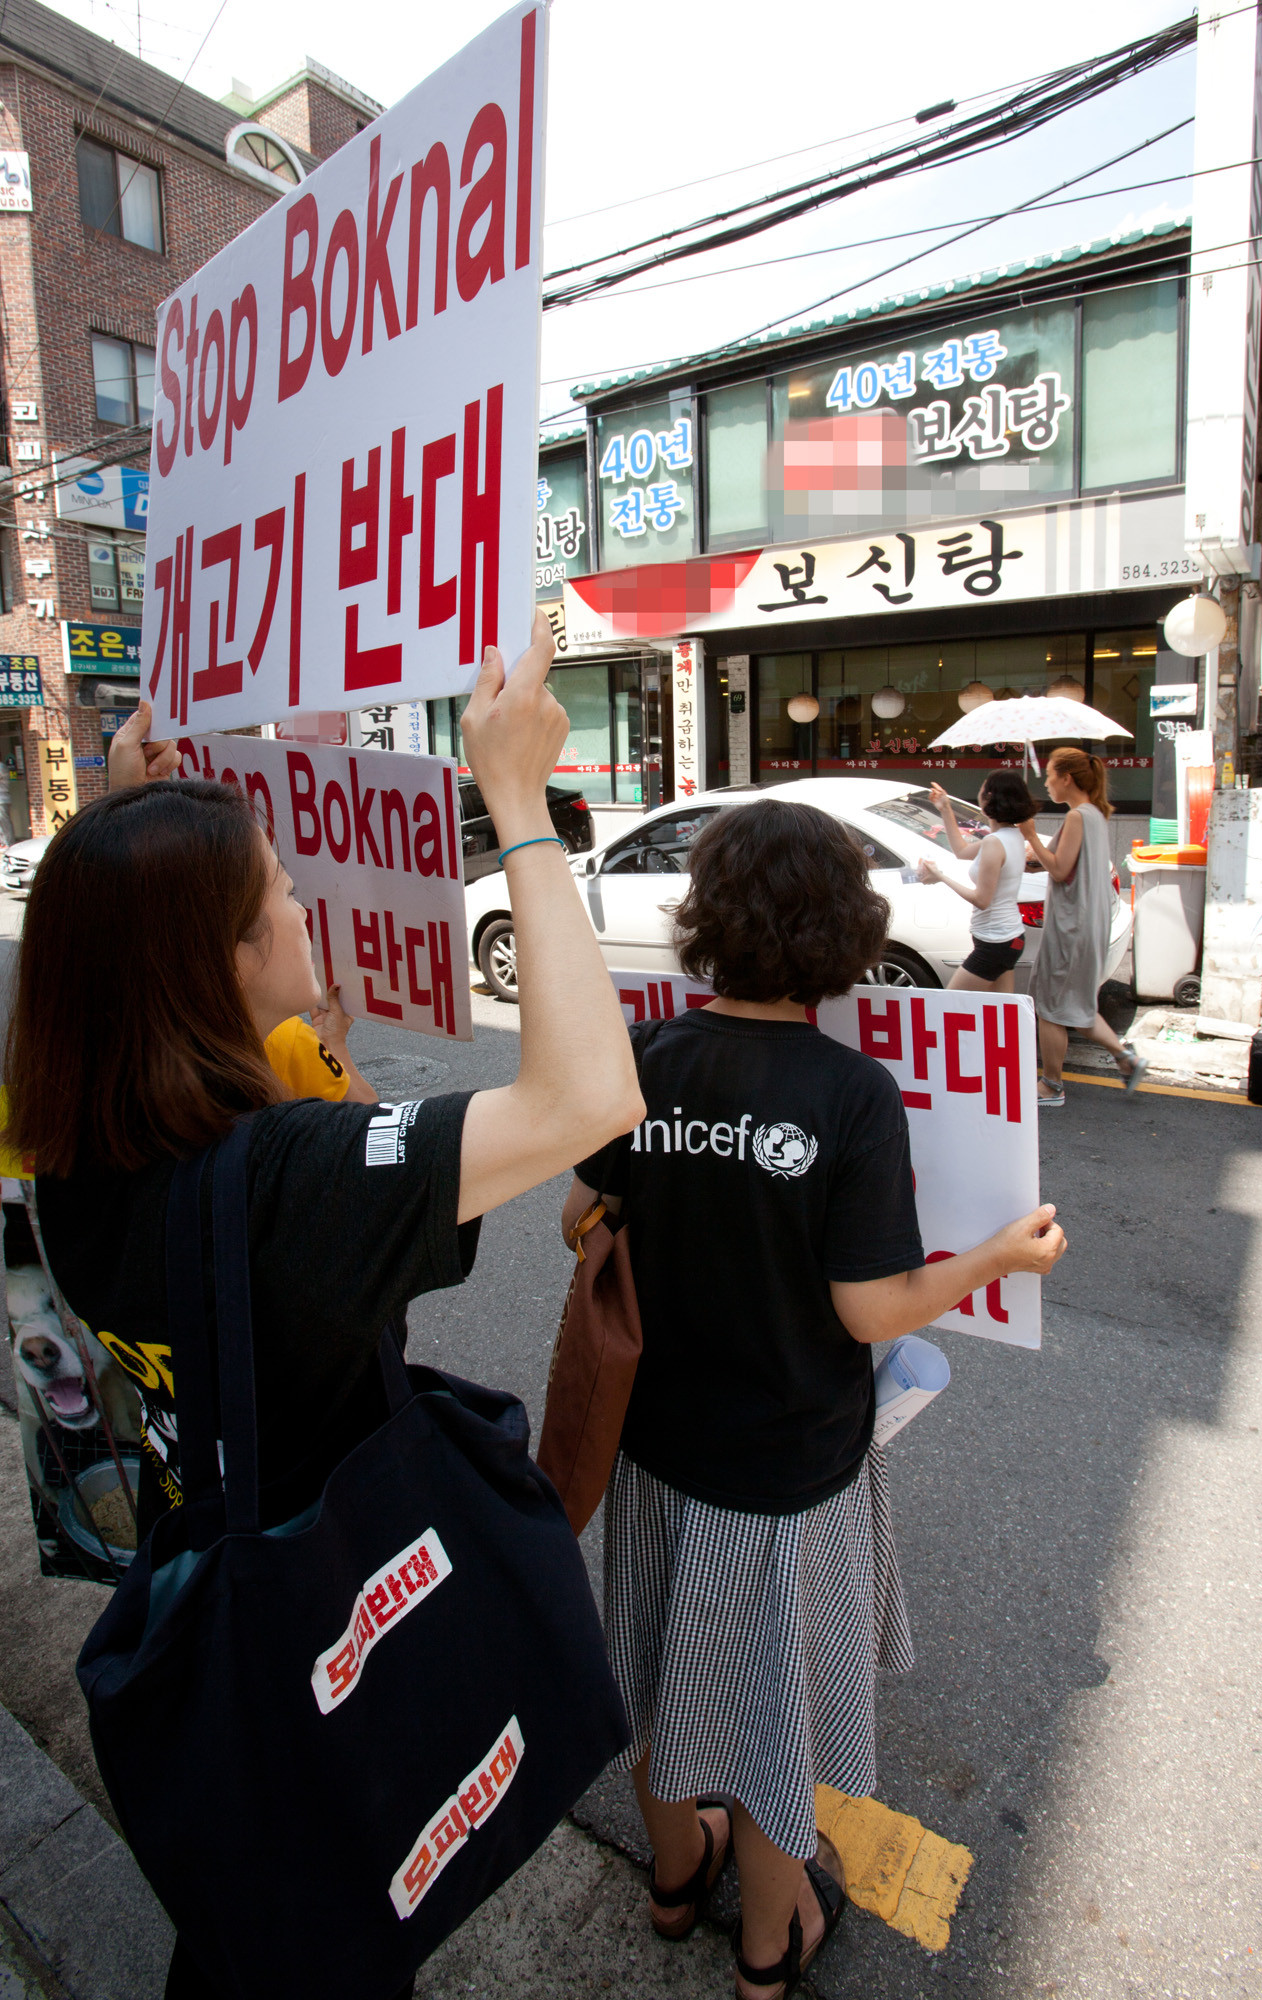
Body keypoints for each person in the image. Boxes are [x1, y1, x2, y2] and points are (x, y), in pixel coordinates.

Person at [4, 615, 646, 2000]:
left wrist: (133, 818)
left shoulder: (82, 1148)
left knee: (265, 1894)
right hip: (330, 1610)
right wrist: (519, 806)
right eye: (281, 893)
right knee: (333, 1905)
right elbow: (591, 1098)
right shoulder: (284, 1182)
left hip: (207, 1569)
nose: (304, 903)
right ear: (222, 964)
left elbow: (118, 946)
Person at [560, 799, 1066, 2000]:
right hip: (788, 1472)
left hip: (652, 1445)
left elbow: (578, 1214)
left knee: (662, 1679)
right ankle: (767, 1947)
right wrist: (999, 1256)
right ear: (844, 930)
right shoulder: (851, 1091)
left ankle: (674, 1880)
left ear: (708, 917)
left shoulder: (648, 1054)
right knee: (770, 1723)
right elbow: (871, 1309)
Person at [107, 703, 378, 1104]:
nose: (303, 913)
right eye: (288, 892)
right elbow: (374, 1129)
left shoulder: (107, 1060)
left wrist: (132, 814)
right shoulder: (280, 1049)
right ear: (224, 954)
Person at [1022, 747, 1149, 1108]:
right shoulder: (1093, 814)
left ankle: (1051, 1085)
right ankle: (1127, 1058)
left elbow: (1060, 869)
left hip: (1070, 928)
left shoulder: (1077, 816)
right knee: (1076, 1006)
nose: (1047, 783)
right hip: (1087, 925)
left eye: (1050, 775)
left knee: (1050, 1007)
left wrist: (1031, 835)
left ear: (1067, 778)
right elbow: (1056, 863)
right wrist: (1033, 855)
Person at [915, 773, 1037, 991]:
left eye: (982, 789)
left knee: (950, 1002)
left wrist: (940, 876)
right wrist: (945, 808)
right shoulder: (1011, 835)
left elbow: (982, 900)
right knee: (1001, 1007)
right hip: (1009, 939)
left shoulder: (994, 842)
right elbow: (961, 851)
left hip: (995, 942)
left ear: (989, 797)